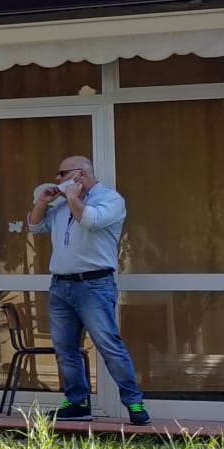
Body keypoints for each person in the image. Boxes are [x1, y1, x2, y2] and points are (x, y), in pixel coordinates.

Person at [28, 155, 149, 425]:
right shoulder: (61, 203)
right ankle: (77, 402)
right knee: (65, 348)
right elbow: (34, 226)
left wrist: (71, 197)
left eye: (62, 173)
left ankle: (135, 403)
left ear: (81, 174)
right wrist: (42, 202)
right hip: (61, 285)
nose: (57, 179)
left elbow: (90, 220)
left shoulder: (110, 199)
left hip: (94, 284)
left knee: (108, 345)